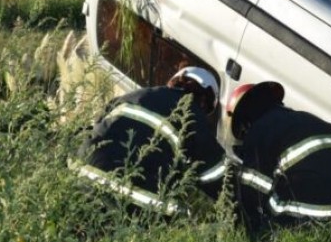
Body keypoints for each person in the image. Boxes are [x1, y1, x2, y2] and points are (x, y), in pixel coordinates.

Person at [71, 66, 229, 218]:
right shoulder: (192, 111)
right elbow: (214, 173)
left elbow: (98, 124)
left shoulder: (136, 95)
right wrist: (238, 207)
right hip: (131, 191)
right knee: (179, 215)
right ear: (204, 100)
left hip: (85, 170)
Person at [226, 81, 331, 233]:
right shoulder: (308, 119)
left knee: (265, 209)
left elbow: (250, 197)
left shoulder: (260, 131)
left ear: (245, 123)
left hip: (309, 222)